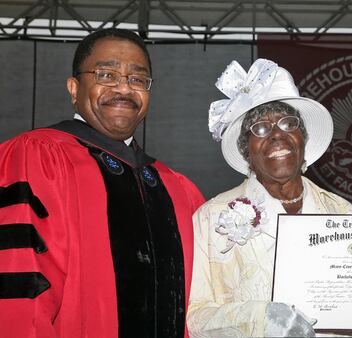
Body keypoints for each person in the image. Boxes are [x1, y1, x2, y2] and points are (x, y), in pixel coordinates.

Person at [0, 28, 205, 337]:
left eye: (138, 79)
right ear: (74, 88)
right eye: (106, 75)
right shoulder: (36, 158)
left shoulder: (176, 188)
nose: (123, 88)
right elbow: (19, 285)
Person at [186, 58, 352, 337]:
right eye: (260, 129)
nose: (277, 136)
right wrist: (261, 318)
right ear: (245, 151)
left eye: (289, 124)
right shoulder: (211, 216)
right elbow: (195, 318)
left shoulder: (341, 210)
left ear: (303, 139)